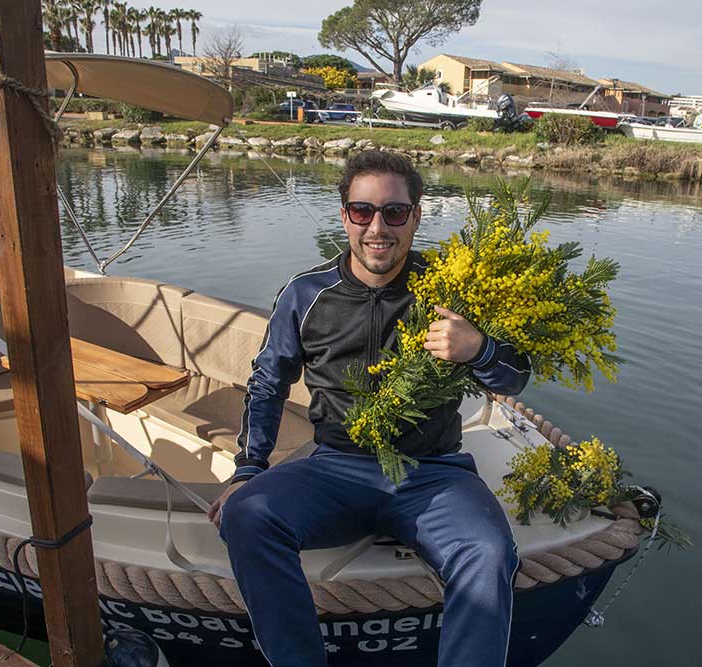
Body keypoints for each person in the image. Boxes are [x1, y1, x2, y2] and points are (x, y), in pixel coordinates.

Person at [208, 150, 531, 666]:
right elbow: (269, 382)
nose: (378, 227)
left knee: (490, 551)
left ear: (416, 216)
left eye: (395, 213)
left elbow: (517, 377)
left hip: (434, 474)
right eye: (363, 211)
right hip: (336, 467)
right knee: (248, 515)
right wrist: (248, 469)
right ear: (344, 216)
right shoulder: (306, 294)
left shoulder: (451, 292)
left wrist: (479, 348)